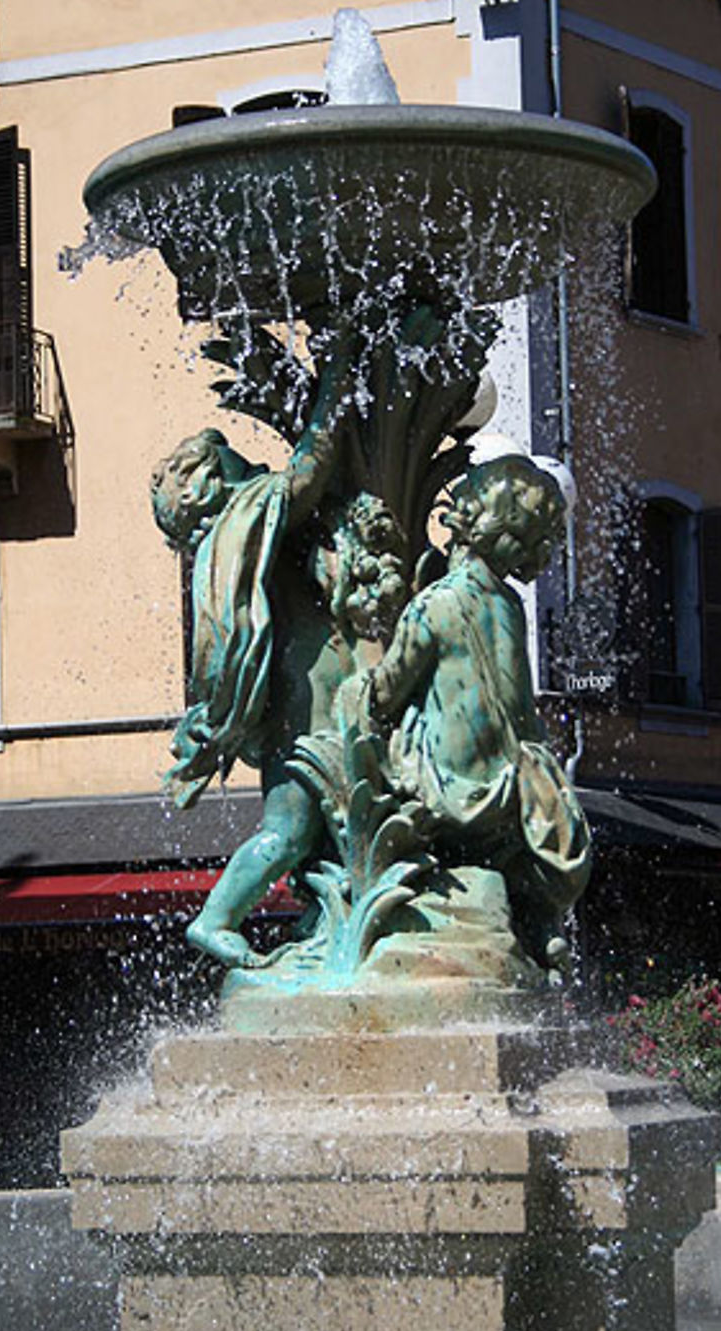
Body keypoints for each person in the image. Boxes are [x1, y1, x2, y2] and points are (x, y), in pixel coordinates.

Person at [151, 351, 407, 967]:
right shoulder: (247, 514)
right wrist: (337, 388)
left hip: (302, 686)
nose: (248, 461)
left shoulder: (227, 541)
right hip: (309, 690)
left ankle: (312, 918)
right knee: (302, 821)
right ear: (213, 482)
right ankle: (218, 917)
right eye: (231, 457)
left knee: (308, 824)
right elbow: (308, 473)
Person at [365, 445, 591, 972]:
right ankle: (537, 924)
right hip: (514, 786)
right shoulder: (509, 606)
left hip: (450, 787)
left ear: (466, 520)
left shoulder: (435, 604)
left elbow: (385, 693)